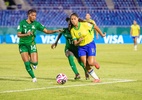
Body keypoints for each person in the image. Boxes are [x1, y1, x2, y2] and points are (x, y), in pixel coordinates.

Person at [17, 9, 62, 82]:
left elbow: (46, 31)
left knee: (35, 63)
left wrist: (55, 31)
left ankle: (33, 63)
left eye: (35, 16)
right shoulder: (22, 23)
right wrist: (26, 34)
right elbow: (18, 35)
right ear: (29, 15)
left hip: (32, 45)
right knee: (27, 63)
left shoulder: (36, 24)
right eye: (33, 15)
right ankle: (33, 77)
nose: (34, 17)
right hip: (23, 45)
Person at [69, 13, 106, 83]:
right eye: (71, 19)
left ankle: (94, 63)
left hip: (90, 44)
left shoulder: (85, 24)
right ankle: (97, 78)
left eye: (74, 19)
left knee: (91, 62)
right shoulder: (72, 30)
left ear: (77, 19)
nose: (73, 20)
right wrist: (79, 41)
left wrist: (102, 35)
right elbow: (75, 43)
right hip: (81, 47)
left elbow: (95, 27)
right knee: (85, 64)